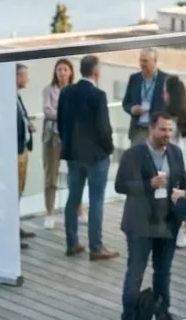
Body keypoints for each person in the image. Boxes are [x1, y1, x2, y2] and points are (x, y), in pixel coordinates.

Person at [115, 112, 186, 320]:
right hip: (140, 223)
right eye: (163, 129)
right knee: (136, 272)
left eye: (169, 130)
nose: (167, 134)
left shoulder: (175, 152)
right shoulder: (133, 154)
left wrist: (182, 199)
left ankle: (162, 312)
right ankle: (129, 315)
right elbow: (120, 185)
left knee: (163, 271)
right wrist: (147, 185)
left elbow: (182, 181)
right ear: (151, 129)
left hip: (167, 222)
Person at [56, 55, 120, 261]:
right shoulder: (98, 95)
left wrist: (68, 145)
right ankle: (96, 247)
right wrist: (109, 148)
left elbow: (61, 123)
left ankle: (72, 243)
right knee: (96, 200)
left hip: (73, 155)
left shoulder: (66, 92)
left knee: (73, 198)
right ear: (96, 71)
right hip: (95, 156)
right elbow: (103, 128)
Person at [41, 58, 80, 230]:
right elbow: (47, 111)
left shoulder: (75, 90)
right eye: (59, 69)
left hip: (72, 136)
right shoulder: (48, 90)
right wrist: (66, 114)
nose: (62, 72)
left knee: (76, 173)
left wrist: (62, 113)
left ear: (70, 72)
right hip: (52, 136)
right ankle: (50, 213)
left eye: (65, 69)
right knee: (51, 175)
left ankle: (79, 209)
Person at [162, 74, 186, 249]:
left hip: (173, 166)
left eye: (165, 91)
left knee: (172, 199)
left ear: (170, 94)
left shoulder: (169, 120)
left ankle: (178, 232)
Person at [123, 48, 168, 146]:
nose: (142, 64)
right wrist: (132, 109)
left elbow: (171, 106)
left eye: (145, 61)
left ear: (154, 61)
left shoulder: (165, 80)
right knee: (136, 155)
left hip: (157, 130)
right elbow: (126, 103)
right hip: (138, 130)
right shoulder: (134, 79)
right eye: (140, 61)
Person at [15, 63, 36, 246]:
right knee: (14, 192)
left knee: (20, 190)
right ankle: (12, 232)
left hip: (23, 150)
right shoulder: (9, 99)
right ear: (17, 77)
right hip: (15, 153)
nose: (27, 79)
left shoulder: (17, 97)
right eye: (25, 75)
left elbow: (21, 119)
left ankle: (16, 227)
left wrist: (28, 126)